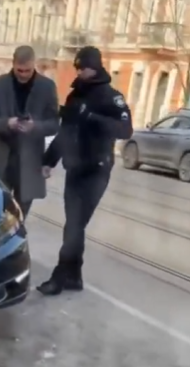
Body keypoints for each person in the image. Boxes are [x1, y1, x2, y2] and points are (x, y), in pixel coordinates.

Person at [37, 46, 133, 296]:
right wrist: (48, 161)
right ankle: (74, 276)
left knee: (74, 225)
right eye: (77, 68)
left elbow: (125, 130)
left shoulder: (111, 97)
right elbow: (65, 132)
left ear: (96, 66)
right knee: (74, 224)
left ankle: (59, 277)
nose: (79, 72)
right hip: (75, 167)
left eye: (84, 68)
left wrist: (91, 117)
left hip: (97, 169)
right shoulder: (75, 95)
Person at [0, 45, 59, 219]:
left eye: (27, 71)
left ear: (34, 64)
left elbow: (54, 124)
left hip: (30, 163)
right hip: (3, 161)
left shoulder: (47, 87)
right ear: (13, 64)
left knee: (19, 217)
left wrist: (35, 126)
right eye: (19, 70)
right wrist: (6, 123)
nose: (23, 75)